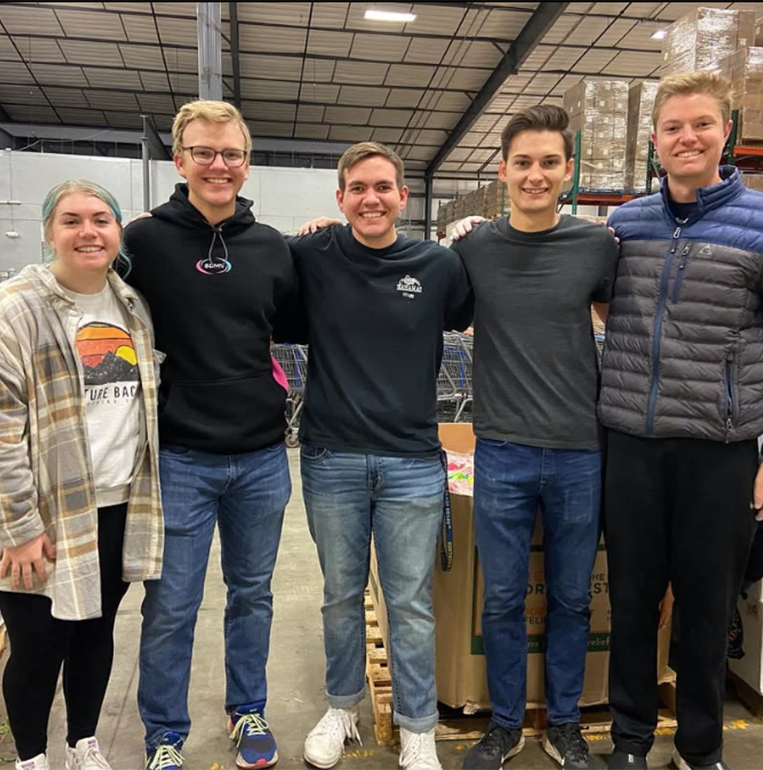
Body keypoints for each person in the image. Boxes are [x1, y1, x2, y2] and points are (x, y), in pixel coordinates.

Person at [599, 71, 763, 770]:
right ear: (654, 140)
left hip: (720, 450)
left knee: (707, 609)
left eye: (702, 124)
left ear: (726, 133)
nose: (688, 137)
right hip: (631, 444)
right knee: (631, 602)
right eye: (674, 126)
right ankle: (629, 740)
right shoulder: (625, 224)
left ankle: (700, 747)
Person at [123, 101, 300, 770]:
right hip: (180, 459)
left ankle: (246, 709)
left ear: (246, 163)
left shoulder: (272, 248)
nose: (219, 164)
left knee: (252, 596)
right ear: (181, 160)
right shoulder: (144, 242)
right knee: (172, 604)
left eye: (230, 153)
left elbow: (289, 326)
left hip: (260, 457)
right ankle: (164, 735)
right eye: (204, 152)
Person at [288, 142, 472, 770]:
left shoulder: (438, 265)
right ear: (340, 198)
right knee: (341, 595)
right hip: (331, 458)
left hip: (412, 463)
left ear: (403, 196)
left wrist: (473, 235)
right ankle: (342, 708)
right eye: (358, 188)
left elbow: (475, 310)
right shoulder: (311, 254)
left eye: (383, 187)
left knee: (409, 601)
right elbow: (257, 273)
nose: (371, 198)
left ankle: (416, 725)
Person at [444, 106, 618, 770]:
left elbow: (613, 317)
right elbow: (448, 312)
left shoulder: (596, 247)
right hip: (504, 450)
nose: (536, 174)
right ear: (503, 171)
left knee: (573, 598)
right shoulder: (477, 249)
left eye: (549, 162)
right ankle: (507, 724)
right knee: (504, 598)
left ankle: (565, 724)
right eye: (524, 162)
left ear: (566, 171)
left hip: (579, 451)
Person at [0, 180, 163, 770]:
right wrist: (16, 526)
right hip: (44, 511)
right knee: (39, 645)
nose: (88, 232)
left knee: (96, 631)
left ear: (119, 232)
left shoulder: (131, 305)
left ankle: (82, 742)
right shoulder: (15, 307)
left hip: (117, 502)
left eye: (100, 220)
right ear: (48, 232)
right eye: (71, 220)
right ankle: (31, 758)